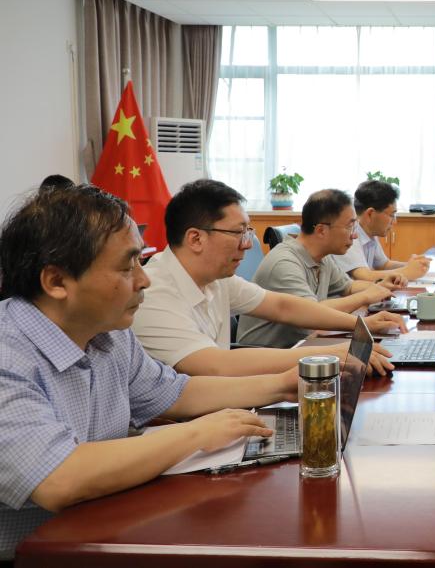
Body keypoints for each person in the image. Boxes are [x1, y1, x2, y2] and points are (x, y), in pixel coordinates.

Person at [0, 185, 296, 560]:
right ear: (57, 281)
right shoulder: (8, 356)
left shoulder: (108, 334)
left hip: (104, 531)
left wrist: (283, 385)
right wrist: (197, 434)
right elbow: (57, 478)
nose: (144, 280)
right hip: (35, 556)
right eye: (128, 267)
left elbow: (177, 392)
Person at [132, 180, 401, 378]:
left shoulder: (217, 277)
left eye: (247, 232)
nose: (248, 245)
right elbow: (215, 366)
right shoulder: (153, 292)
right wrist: (325, 355)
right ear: (196, 239)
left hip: (225, 403)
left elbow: (283, 306)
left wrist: (361, 325)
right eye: (238, 233)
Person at [237, 189, 397, 348]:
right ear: (321, 230)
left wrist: (380, 286)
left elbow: (348, 287)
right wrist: (365, 299)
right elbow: (313, 313)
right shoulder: (284, 263)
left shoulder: (323, 257)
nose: (354, 236)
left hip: (304, 345)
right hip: (271, 354)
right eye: (350, 227)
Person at [332, 180, 430, 285]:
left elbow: (383, 264)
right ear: (370, 214)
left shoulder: (370, 232)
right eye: (392, 215)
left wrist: (412, 265)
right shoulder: (350, 234)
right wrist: (407, 271)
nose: (394, 221)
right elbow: (364, 276)